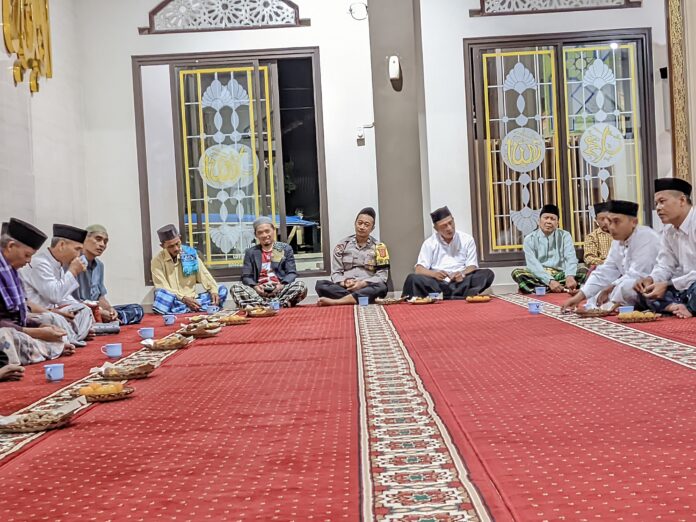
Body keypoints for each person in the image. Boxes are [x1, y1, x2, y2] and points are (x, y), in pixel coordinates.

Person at [561, 200, 660, 312]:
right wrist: (578, 297)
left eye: (616, 222)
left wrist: (611, 287)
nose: (611, 227)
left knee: (627, 286)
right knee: (600, 286)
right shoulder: (617, 241)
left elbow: (638, 274)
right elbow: (604, 272)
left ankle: (614, 305)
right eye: (609, 222)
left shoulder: (646, 237)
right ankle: (610, 305)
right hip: (628, 284)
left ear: (634, 222)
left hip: (657, 287)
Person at [0, 218, 74, 365]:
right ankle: (50, 348)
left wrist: (39, 327)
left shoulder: (12, 272)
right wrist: (35, 332)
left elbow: (19, 315)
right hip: (7, 333)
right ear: (11, 246)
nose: (29, 261)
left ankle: (49, 347)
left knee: (49, 320)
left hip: (17, 329)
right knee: (6, 337)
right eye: (27, 255)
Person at [20, 224, 94, 344]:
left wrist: (74, 309)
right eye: (77, 249)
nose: (78, 255)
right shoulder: (40, 263)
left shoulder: (58, 265)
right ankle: (73, 336)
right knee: (54, 318)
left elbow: (64, 298)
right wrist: (73, 271)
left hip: (54, 313)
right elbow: (54, 296)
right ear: (61, 245)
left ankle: (74, 335)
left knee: (84, 310)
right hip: (37, 314)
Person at [635, 178, 696, 318]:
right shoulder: (668, 230)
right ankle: (676, 307)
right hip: (683, 287)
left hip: (691, 286)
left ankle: (683, 306)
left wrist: (669, 284)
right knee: (643, 291)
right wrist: (651, 279)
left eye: (662, 201)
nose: (658, 208)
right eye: (656, 203)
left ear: (682, 200)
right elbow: (664, 265)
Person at [402, 206, 494, 299]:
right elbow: (419, 269)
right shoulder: (429, 243)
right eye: (444, 226)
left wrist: (462, 274)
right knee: (412, 278)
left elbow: (472, 266)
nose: (449, 228)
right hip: (437, 283)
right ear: (436, 228)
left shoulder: (467, 239)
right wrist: (434, 274)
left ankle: (445, 296)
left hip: (460, 281)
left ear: (453, 220)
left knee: (487, 274)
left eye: (450, 223)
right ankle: (458, 295)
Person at [315, 207, 389, 306]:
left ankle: (337, 301)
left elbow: (382, 276)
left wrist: (362, 284)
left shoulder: (380, 247)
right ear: (355, 223)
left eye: (366, 225)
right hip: (346, 287)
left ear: (372, 228)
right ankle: (359, 299)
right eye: (360, 223)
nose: (362, 227)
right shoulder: (342, 245)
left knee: (381, 287)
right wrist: (344, 282)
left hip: (366, 286)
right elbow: (336, 273)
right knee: (321, 285)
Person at [73, 225, 144, 325]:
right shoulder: (74, 262)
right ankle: (105, 320)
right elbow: (68, 300)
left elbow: (100, 297)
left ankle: (110, 318)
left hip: (96, 309)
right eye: (98, 239)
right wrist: (98, 312)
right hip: (79, 309)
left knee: (137, 309)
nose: (102, 244)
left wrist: (110, 310)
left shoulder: (99, 266)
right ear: (84, 239)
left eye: (105, 242)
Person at [230, 217, 307, 308]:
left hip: (279, 290)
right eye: (260, 232)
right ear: (256, 235)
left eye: (267, 231)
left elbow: (292, 273)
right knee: (236, 288)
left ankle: (262, 305)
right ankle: (276, 304)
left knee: (301, 286)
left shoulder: (284, 248)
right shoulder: (251, 252)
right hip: (258, 292)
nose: (264, 235)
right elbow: (246, 276)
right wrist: (256, 287)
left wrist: (281, 286)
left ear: (274, 230)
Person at [151, 224, 228, 314]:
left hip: (194, 299)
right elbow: (163, 287)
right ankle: (194, 308)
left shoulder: (190, 254)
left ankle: (186, 309)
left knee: (221, 290)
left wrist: (213, 291)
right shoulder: (157, 261)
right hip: (175, 300)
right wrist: (183, 298)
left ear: (180, 238)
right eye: (171, 246)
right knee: (160, 294)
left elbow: (205, 275)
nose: (176, 248)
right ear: (163, 246)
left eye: (177, 243)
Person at [512, 204, 587, 293]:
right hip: (539, 275)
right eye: (546, 218)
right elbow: (533, 264)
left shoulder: (565, 236)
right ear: (539, 221)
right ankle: (559, 288)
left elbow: (571, 258)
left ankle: (539, 289)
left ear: (557, 223)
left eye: (552, 219)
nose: (549, 221)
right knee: (517, 273)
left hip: (561, 274)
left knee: (583, 270)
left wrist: (570, 276)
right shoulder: (529, 239)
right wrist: (549, 281)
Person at [583, 202, 613, 269]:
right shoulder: (592, 237)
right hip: (602, 269)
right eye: (602, 219)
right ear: (596, 220)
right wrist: (606, 263)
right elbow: (589, 258)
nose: (606, 222)